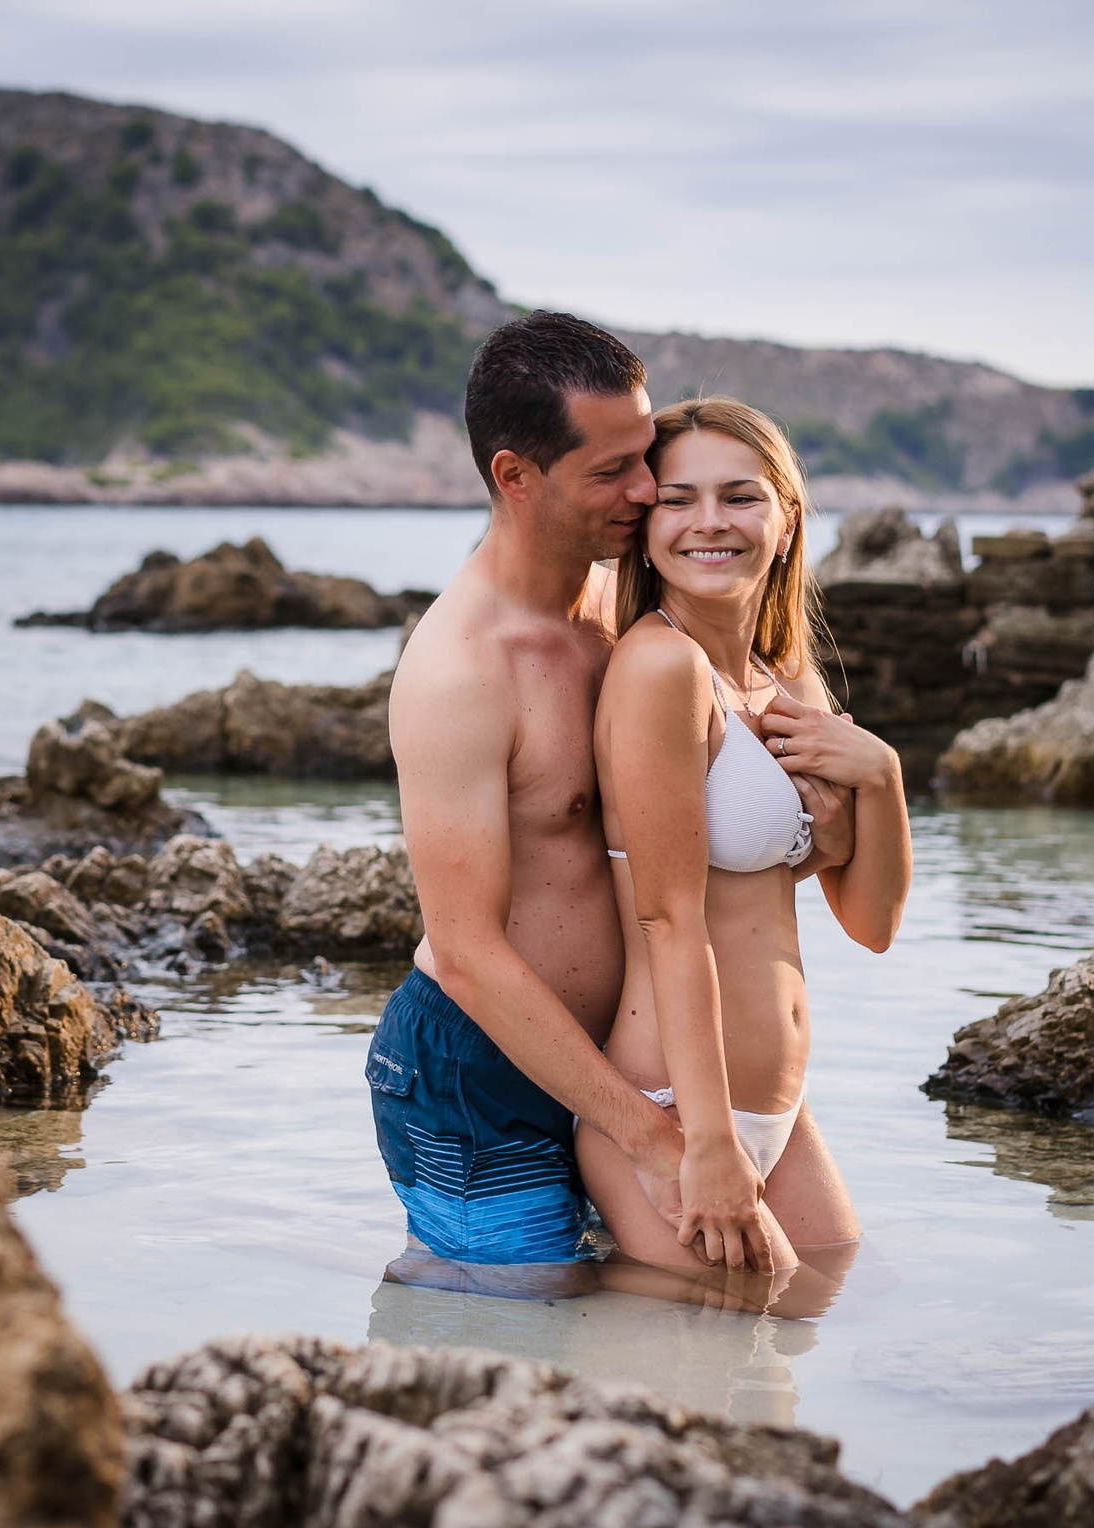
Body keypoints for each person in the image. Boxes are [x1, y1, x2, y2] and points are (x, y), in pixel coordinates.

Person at [370, 312, 852, 1282]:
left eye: (643, 460)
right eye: (611, 472)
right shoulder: (459, 672)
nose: (644, 493)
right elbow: (465, 954)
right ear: (516, 477)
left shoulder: (621, 613)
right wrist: (655, 1138)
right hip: (479, 1082)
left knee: (787, 1302)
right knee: (521, 1338)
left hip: (624, 1065)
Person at [588, 397, 911, 1276]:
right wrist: (709, 1143)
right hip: (682, 1112)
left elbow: (872, 922)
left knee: (810, 1342)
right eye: (678, 499)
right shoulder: (661, 667)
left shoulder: (782, 676)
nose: (709, 523)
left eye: (739, 496)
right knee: (709, 1374)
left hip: (779, 1111)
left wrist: (880, 773)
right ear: (646, 524)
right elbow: (669, 922)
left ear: (787, 516)